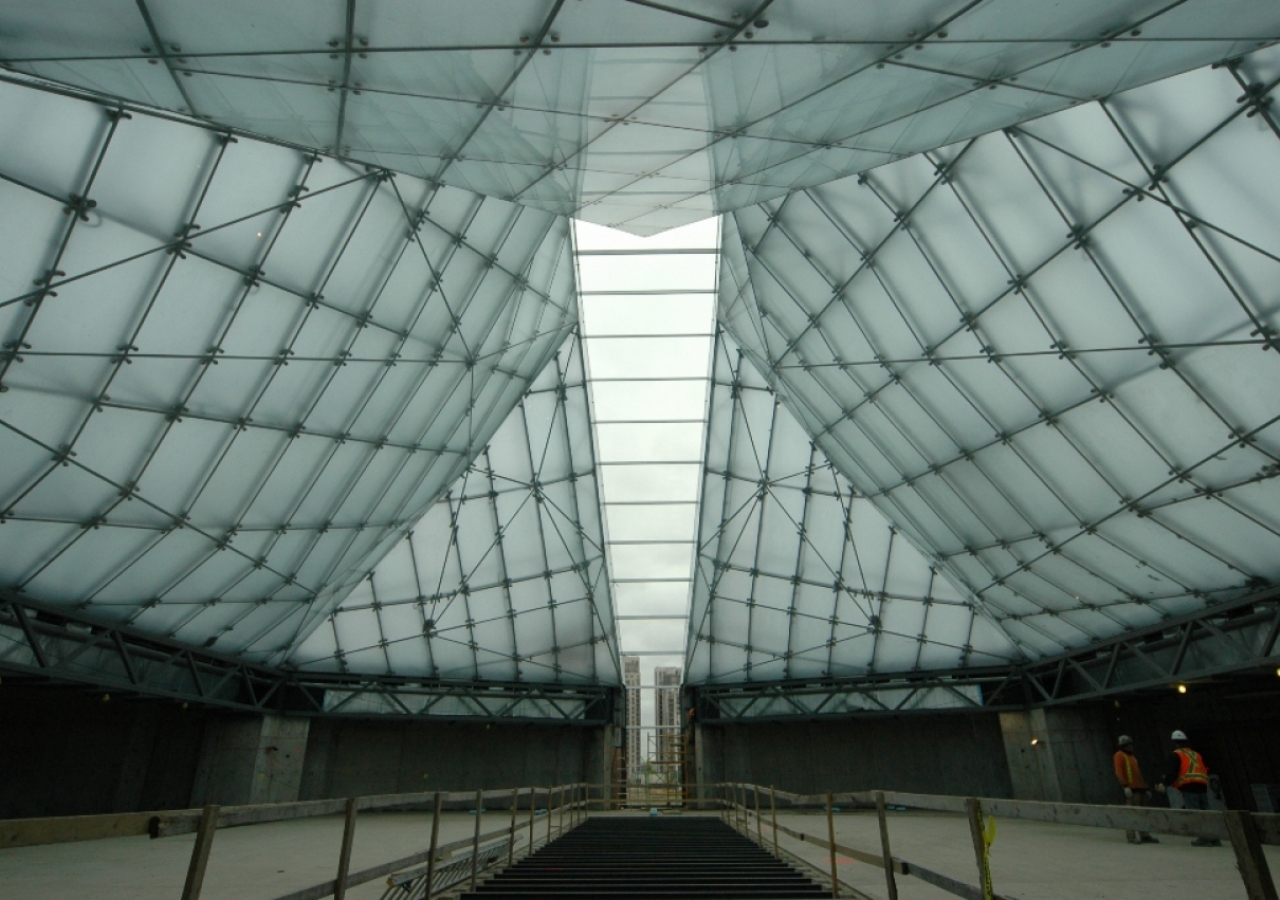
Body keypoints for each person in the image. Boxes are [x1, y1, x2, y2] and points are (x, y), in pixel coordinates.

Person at [1156, 730, 1222, 847]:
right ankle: (1214, 838)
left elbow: (1172, 772)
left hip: (1189, 786)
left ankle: (1203, 838)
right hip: (1201, 785)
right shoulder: (1196, 754)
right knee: (1207, 812)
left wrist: (1164, 783)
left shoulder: (1175, 754)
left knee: (1195, 813)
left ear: (1174, 742)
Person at [1113, 735, 1158, 844]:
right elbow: (1119, 772)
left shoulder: (1132, 758)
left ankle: (1144, 835)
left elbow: (1138, 775)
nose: (1131, 747)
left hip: (1140, 789)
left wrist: (1145, 788)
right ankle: (1131, 836)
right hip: (1132, 790)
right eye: (1129, 745)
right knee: (1131, 813)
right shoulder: (1119, 755)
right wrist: (1125, 786)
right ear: (1124, 746)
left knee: (1142, 814)